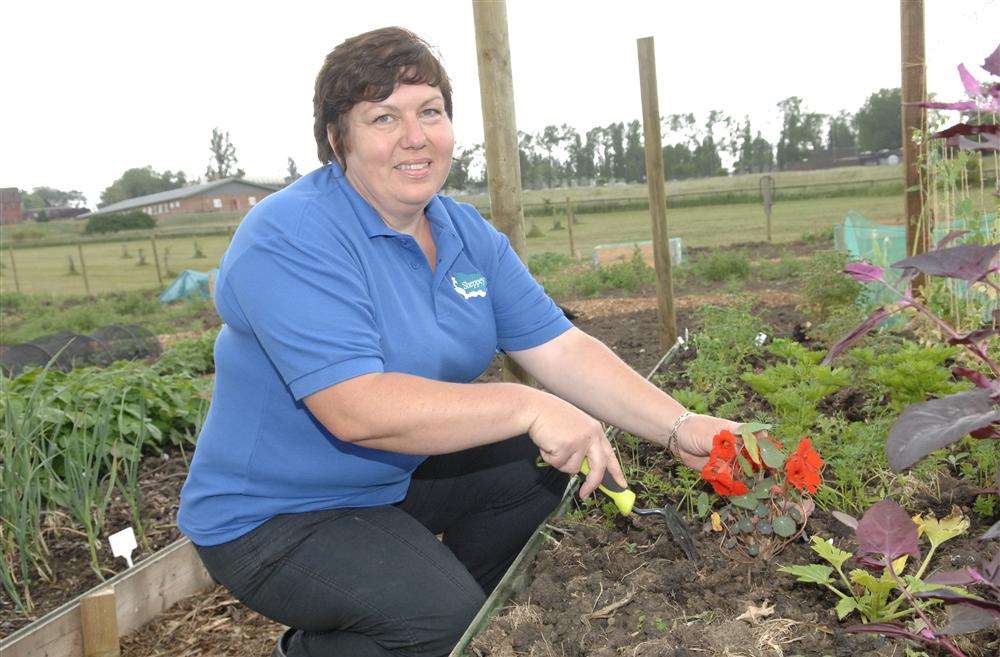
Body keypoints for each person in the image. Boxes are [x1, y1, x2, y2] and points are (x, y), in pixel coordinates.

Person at [177, 26, 740, 657]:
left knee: (540, 476)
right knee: (441, 626)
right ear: (338, 139)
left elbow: (559, 348)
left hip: (394, 482)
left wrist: (681, 426)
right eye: (383, 117)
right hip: (277, 517)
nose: (415, 137)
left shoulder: (461, 231)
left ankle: (455, 624)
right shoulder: (291, 236)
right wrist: (528, 406)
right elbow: (355, 408)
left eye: (430, 112)